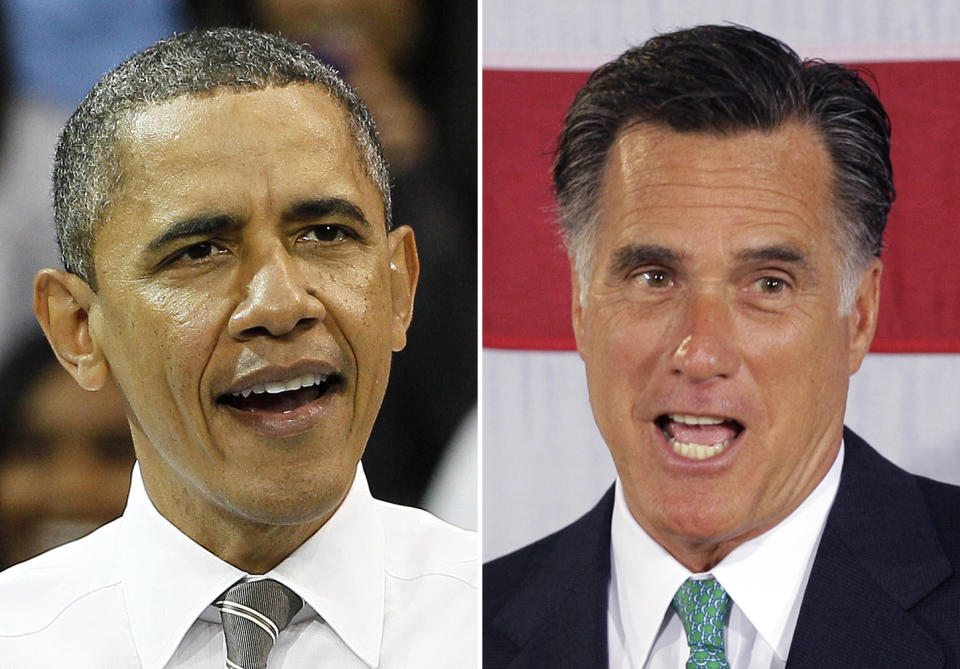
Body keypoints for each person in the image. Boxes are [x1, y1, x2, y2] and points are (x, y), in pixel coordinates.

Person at [483, 24, 960, 668]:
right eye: (654, 278)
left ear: (859, 316)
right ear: (580, 304)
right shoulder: (466, 627)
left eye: (768, 284)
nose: (700, 353)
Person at [0, 27, 476, 667]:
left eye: (326, 233)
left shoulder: (538, 630)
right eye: (200, 251)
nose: (280, 306)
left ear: (399, 287)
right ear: (77, 328)